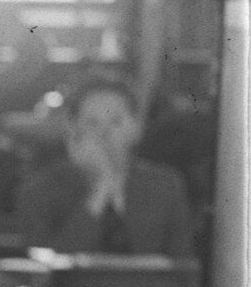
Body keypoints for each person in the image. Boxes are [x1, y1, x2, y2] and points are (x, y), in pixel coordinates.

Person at [16, 74, 196, 258]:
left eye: (116, 122)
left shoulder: (164, 185)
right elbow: (47, 273)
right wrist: (101, 189)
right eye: (92, 123)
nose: (104, 134)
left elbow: (183, 268)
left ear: (135, 129)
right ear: (73, 128)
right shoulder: (41, 189)